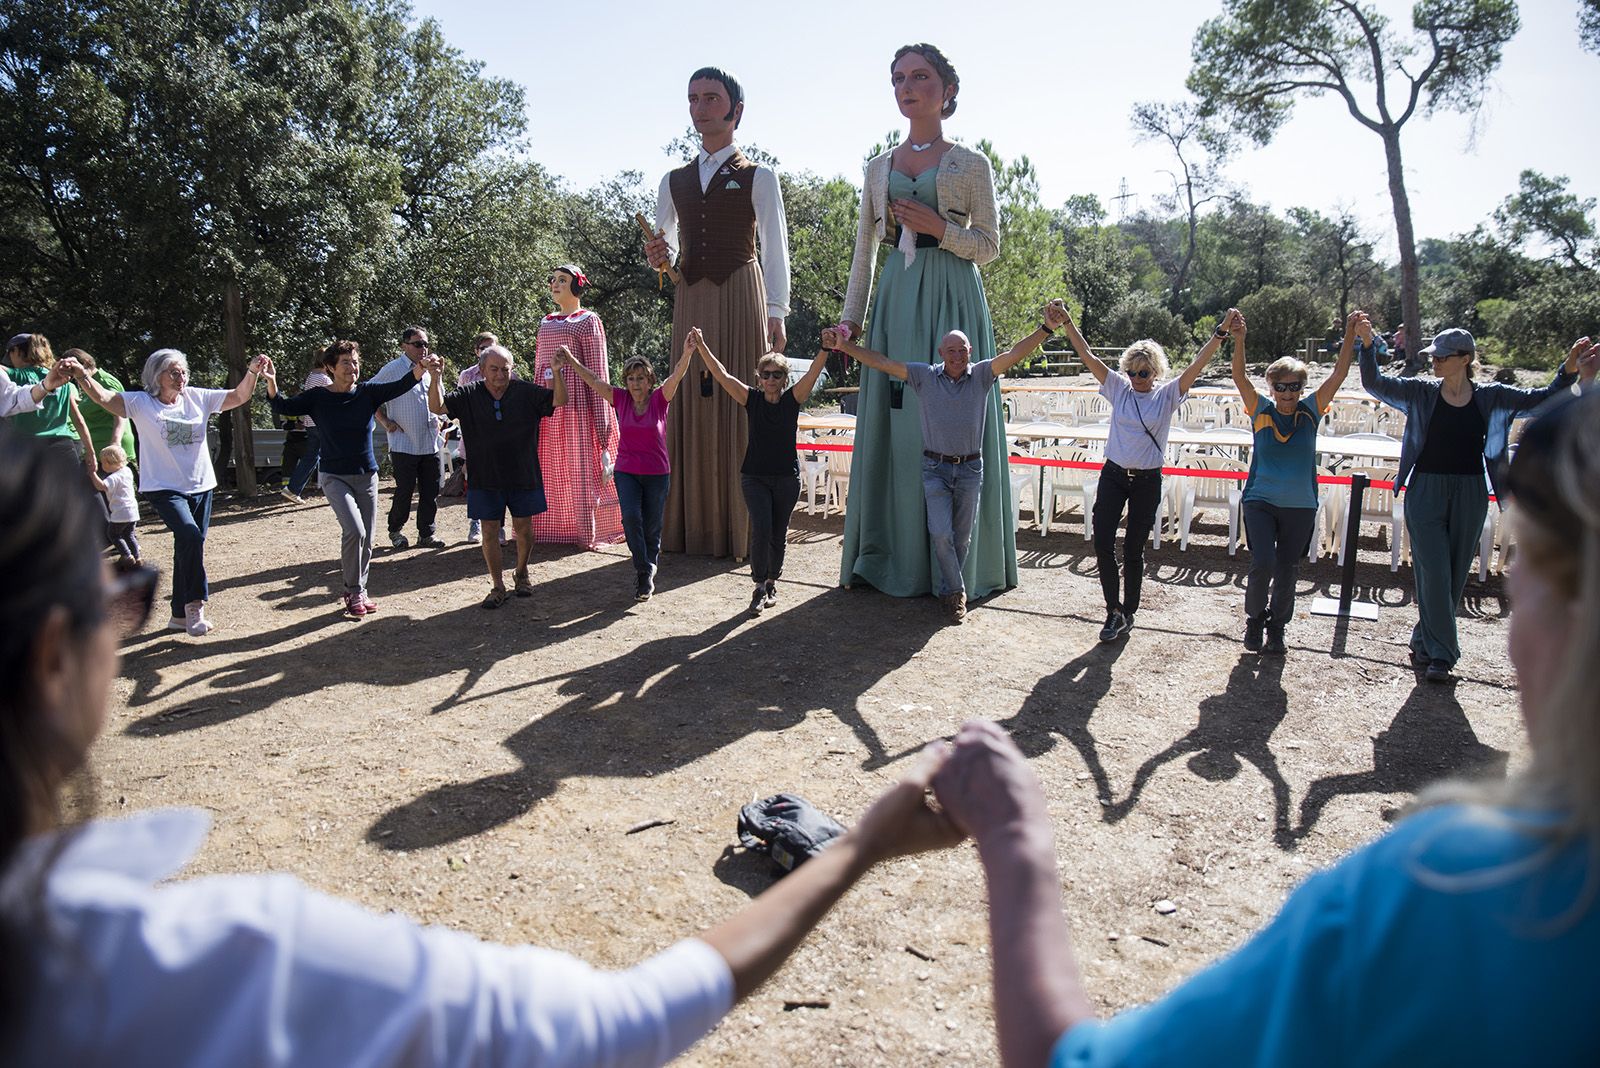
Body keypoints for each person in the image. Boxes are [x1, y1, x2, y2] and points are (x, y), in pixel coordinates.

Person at [0, 434, 967, 1067]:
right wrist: (859, 848)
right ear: (51, 657)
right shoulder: (218, 961)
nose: (129, 615)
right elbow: (619, 1027)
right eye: (118, 592)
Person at [932, 388, 1600, 1068]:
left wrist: (1013, 840)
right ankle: (1261, 628)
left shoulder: (1452, 890)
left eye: (1527, 576)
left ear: (1575, 616)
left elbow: (1069, 1059)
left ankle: (1266, 628)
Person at [835, 44, 1015, 603]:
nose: (906, 87)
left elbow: (989, 247)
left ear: (948, 90)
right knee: (898, 419)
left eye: (919, 77)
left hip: (954, 297)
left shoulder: (972, 163)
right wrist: (848, 322)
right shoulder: (876, 168)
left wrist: (941, 228)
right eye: (898, 79)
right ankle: (892, 558)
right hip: (896, 299)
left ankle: (959, 569)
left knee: (956, 417)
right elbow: (865, 251)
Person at [1359, 327, 1583, 682]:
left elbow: (1543, 400)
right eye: (1433, 355)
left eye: (1442, 356)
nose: (1434, 361)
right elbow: (1375, 383)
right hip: (1425, 490)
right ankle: (1443, 657)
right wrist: (1368, 346)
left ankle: (1423, 641)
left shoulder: (1492, 397)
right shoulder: (1420, 392)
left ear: (1465, 359)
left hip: (1471, 492)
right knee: (1433, 571)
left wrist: (1568, 369)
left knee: (1452, 576)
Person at [825, 300, 1070, 623]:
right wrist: (846, 346)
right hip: (935, 469)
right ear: (941, 353)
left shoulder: (982, 375)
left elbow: (1014, 353)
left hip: (970, 469)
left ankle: (950, 590)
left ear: (970, 351)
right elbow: (882, 362)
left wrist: (1047, 329)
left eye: (962, 350)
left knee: (962, 537)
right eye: (951, 350)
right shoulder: (924, 376)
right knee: (941, 533)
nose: (957, 356)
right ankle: (955, 593)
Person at [644, 65, 791, 560]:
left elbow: (775, 248)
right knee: (689, 399)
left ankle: (741, 531)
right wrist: (657, 256)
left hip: (740, 293)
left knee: (739, 404)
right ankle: (689, 529)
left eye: (711, 97)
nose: (700, 106)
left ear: (736, 110)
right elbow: (661, 242)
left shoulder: (759, 176)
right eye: (693, 98)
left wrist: (776, 310)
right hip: (690, 295)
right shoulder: (674, 180)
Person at [1059, 308, 1234, 642]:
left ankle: (1129, 610)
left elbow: (1198, 363)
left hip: (1147, 480)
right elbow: (1086, 354)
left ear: (1155, 372)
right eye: (1132, 371)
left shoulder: (1166, 395)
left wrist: (1221, 331)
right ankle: (1113, 611)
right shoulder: (1118, 389)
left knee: (1133, 549)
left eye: (1143, 372)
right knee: (1102, 542)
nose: (1137, 378)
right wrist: (1067, 322)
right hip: (1113, 474)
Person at [72, 348, 266, 637]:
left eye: (183, 371)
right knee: (190, 536)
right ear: (157, 376)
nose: (181, 376)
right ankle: (195, 605)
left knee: (187, 546)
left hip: (202, 485)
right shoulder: (141, 402)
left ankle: (177, 615)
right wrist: (82, 375)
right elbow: (104, 398)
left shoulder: (197, 397)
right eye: (174, 372)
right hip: (163, 488)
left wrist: (252, 371)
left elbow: (238, 397)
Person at [264, 341, 438, 618]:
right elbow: (283, 404)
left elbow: (402, 385)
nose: (352, 367)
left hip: (366, 475)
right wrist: (271, 381)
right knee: (354, 531)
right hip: (335, 477)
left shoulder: (367, 393)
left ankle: (360, 590)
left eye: (355, 362)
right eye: (346, 362)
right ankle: (352, 589)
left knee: (367, 538)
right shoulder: (318, 397)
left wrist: (422, 368)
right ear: (331, 368)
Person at [1230, 310, 1354, 654]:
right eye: (1281, 387)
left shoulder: (1311, 410)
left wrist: (1349, 335)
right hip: (1260, 500)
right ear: (1272, 387)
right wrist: (1240, 339)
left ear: (1302, 388)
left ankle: (1278, 628)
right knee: (1263, 563)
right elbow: (1239, 376)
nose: (1287, 394)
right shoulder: (1261, 409)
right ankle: (1254, 620)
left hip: (1299, 504)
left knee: (1287, 568)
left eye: (1294, 387)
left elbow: (1339, 374)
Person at [689, 326, 829, 616]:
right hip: (754, 476)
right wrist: (701, 347)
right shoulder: (751, 399)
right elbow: (723, 376)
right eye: (765, 374)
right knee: (761, 527)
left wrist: (826, 349)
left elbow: (813, 374)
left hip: (786, 479)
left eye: (776, 375)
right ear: (759, 377)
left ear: (784, 378)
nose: (770, 380)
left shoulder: (792, 400)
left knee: (778, 533)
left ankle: (771, 581)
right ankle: (758, 586)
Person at [427, 344, 565, 608]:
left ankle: (521, 571)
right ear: (481, 370)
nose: (501, 375)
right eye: (494, 369)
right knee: (490, 531)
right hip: (484, 476)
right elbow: (438, 406)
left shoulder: (525, 392)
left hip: (523, 474)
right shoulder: (469, 394)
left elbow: (559, 400)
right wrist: (436, 379)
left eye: (505, 369)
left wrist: (557, 373)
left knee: (524, 529)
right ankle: (497, 585)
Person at [560, 340, 695, 600]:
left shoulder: (659, 400)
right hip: (627, 471)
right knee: (631, 518)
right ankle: (644, 571)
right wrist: (571, 361)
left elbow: (677, 373)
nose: (635, 383)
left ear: (650, 381)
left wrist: (688, 351)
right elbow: (594, 381)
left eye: (641, 378)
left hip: (657, 473)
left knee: (652, 526)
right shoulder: (620, 399)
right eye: (631, 378)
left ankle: (648, 565)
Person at [529, 264, 625, 550]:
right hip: (550, 409)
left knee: (581, 471)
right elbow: (538, 369)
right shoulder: (545, 322)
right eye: (554, 280)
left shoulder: (588, 320)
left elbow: (598, 371)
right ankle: (553, 527)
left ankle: (586, 530)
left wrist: (603, 423)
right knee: (550, 469)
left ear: (577, 286)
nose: (555, 284)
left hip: (579, 408)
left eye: (563, 280)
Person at [371, 326, 447, 550]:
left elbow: (439, 397)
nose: (423, 348)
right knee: (404, 490)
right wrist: (385, 422)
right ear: (404, 346)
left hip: (430, 441)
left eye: (425, 344)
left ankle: (426, 534)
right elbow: (369, 394)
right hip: (404, 443)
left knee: (430, 491)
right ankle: (395, 531)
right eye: (417, 344)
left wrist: (440, 419)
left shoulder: (432, 368)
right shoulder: (393, 369)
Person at [4, 333, 95, 473]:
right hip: (63, 446)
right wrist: (90, 452)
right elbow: (78, 420)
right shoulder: (62, 380)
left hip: (27, 448)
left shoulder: (15, 376)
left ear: (17, 351)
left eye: (10, 353)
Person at [459, 332, 514, 545]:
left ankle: (499, 527)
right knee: (474, 483)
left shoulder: (508, 374)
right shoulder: (467, 376)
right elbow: (461, 407)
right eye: (483, 348)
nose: (488, 351)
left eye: (492, 347)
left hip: (501, 441)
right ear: (477, 351)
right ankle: (475, 523)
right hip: (474, 440)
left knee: (500, 484)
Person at [61, 349, 137, 472]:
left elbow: (120, 413)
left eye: (72, 369)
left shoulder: (104, 381)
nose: (71, 375)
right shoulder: (86, 384)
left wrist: (115, 444)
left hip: (110, 454)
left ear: (85, 363)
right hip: (98, 450)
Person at [279, 350, 335, 504]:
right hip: (322, 423)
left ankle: (293, 488)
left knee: (312, 456)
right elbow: (335, 398)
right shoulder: (324, 380)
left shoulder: (310, 378)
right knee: (330, 454)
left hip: (310, 423)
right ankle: (334, 489)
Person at [87, 444, 140, 562]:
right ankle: (137, 556)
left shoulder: (114, 477)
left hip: (120, 512)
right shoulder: (127, 471)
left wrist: (92, 474)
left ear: (108, 463)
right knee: (129, 535)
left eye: (103, 462)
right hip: (132, 511)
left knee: (113, 535)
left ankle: (127, 555)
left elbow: (101, 486)